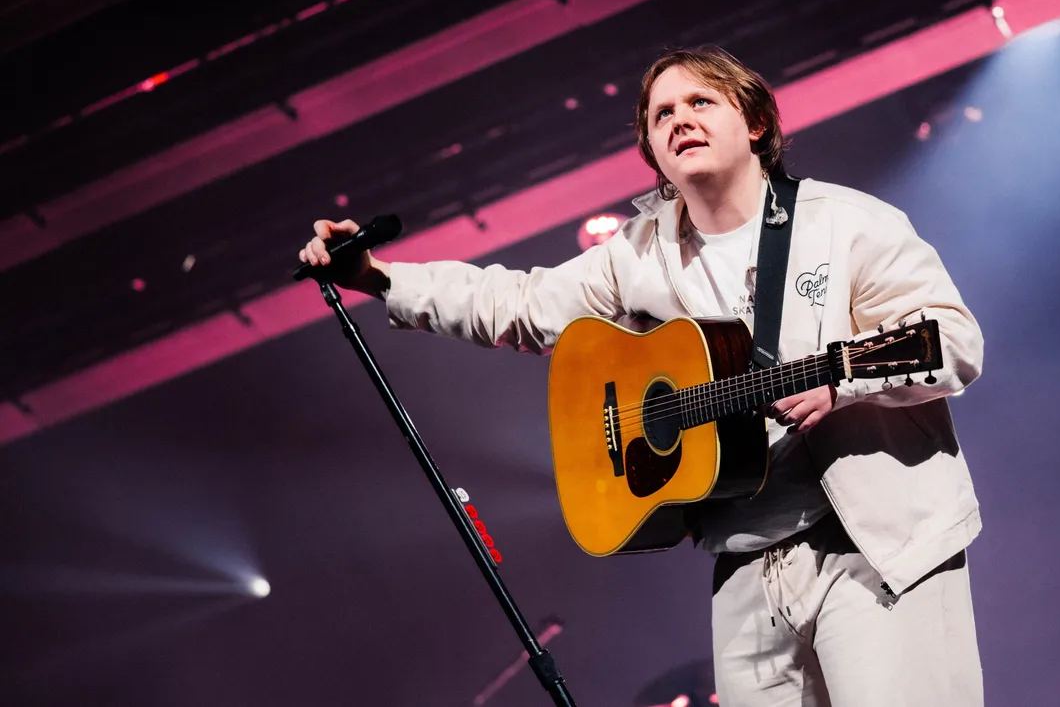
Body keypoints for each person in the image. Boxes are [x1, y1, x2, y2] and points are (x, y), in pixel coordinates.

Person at [298, 46, 985, 705]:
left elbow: (953, 341)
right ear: (653, 153)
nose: (680, 118)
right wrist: (379, 277)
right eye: (662, 114)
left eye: (700, 101)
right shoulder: (638, 255)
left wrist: (841, 380)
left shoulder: (847, 224)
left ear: (756, 124)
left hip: (874, 546)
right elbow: (516, 304)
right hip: (747, 570)